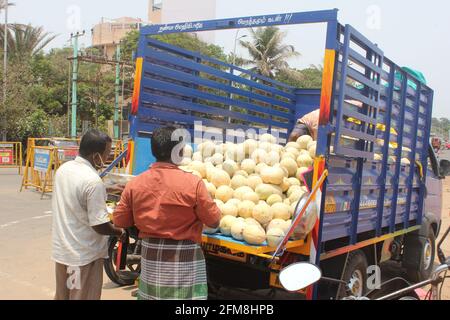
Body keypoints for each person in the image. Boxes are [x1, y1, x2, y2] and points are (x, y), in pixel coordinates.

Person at [113, 126, 221, 300]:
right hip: (186, 261)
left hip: (151, 259)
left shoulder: (135, 184)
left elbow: (120, 220)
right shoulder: (193, 183)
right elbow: (214, 220)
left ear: (153, 150)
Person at [52, 129, 126, 300]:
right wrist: (119, 232)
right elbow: (99, 225)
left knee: (64, 296)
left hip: (63, 252)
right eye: (107, 153)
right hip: (83, 257)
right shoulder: (92, 181)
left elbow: (78, 191)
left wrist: (107, 187)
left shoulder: (65, 169)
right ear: (95, 156)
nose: (108, 157)